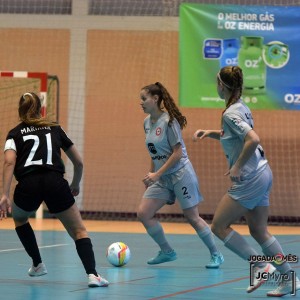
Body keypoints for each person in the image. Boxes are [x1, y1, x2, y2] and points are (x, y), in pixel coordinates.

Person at [193, 66, 299, 297]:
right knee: (259, 231)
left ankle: (261, 265)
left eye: (216, 83)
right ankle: (289, 279)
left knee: (219, 226)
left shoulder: (230, 113)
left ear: (222, 85)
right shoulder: (239, 107)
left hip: (250, 177)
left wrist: (238, 166)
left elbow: (253, 138)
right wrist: (209, 132)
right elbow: (234, 135)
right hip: (263, 171)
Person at [0, 92, 109, 288]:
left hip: (28, 185)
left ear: (20, 110)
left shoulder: (14, 134)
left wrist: (5, 195)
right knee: (79, 231)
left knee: (20, 218)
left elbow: (9, 162)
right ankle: (93, 275)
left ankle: (38, 264)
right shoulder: (55, 128)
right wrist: (75, 184)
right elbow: (79, 162)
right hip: (55, 183)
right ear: (41, 108)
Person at [137, 82, 224, 268]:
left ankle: (216, 254)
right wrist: (153, 174)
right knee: (144, 213)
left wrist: (157, 174)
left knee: (192, 217)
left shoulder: (170, 121)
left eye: (144, 99)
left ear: (155, 99)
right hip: (162, 177)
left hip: (180, 173)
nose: (141, 103)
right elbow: (153, 151)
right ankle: (167, 251)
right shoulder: (146, 123)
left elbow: (177, 153)